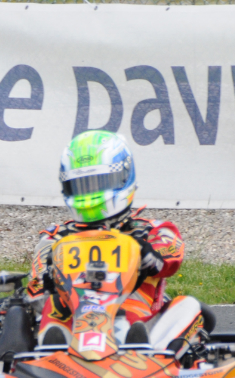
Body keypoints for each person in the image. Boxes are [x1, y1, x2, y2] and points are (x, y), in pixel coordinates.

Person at [26, 129, 187, 346]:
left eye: (99, 182)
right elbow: (35, 294)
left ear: (123, 176)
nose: (91, 194)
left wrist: (149, 255)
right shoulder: (55, 238)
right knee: (29, 310)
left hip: (138, 323)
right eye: (82, 185)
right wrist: (48, 281)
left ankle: (139, 349)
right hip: (73, 323)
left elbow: (173, 255)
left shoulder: (151, 231)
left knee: (188, 307)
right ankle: (44, 354)